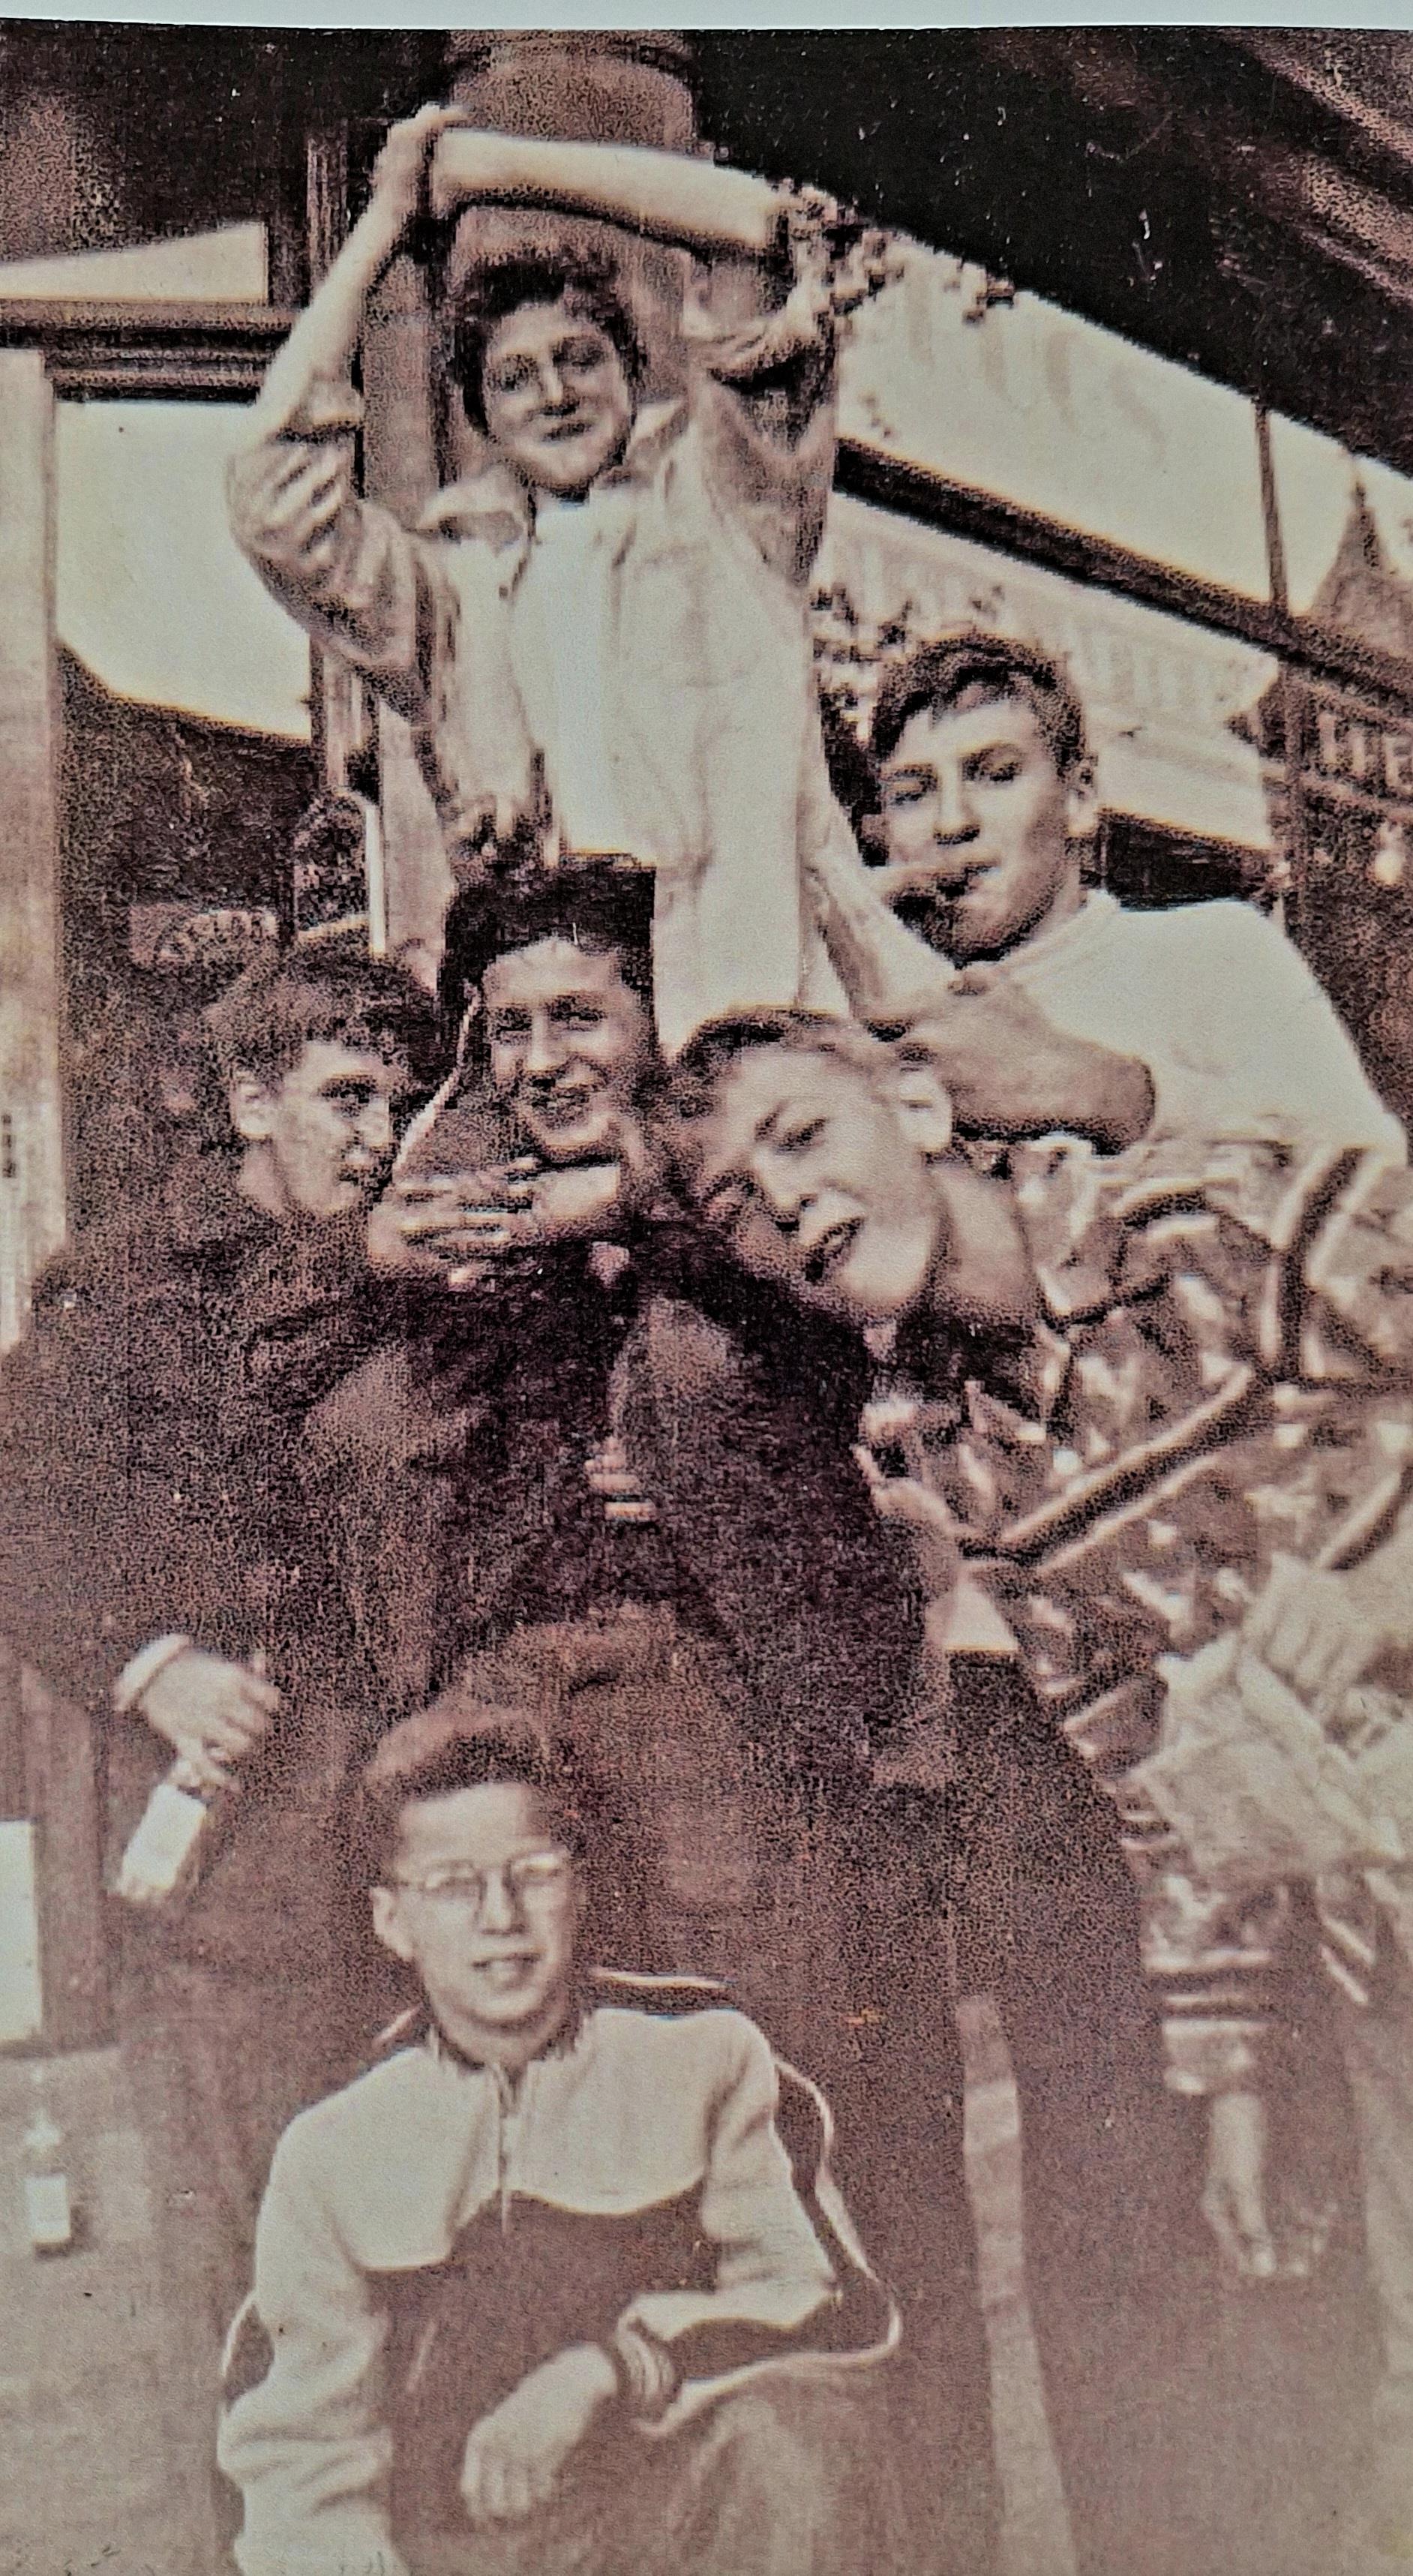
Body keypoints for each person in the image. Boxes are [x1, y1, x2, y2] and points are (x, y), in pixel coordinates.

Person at [652, 1006, 1413, 2576]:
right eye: (733, 1198)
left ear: (922, 1105)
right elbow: (1157, 1771)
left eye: (804, 1133)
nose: (780, 1201)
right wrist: (1236, 2077)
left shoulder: (1213, 1218)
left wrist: (1391, 1578)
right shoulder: (951, 1446)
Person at [0, 939, 440, 2576]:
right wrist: (152, 1663)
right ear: (252, 1101)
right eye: (343, 1097)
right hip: (238, 1812)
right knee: (255, 2251)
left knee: (412, 2226)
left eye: (401, 1099)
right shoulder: (129, 1284)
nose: (379, 1133)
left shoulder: (400, 1261)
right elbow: (27, 1511)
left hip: (400, 1793)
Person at [227, 105, 889, 1052]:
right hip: (571, 1051)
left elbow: (748, 226)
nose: (556, 394)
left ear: (633, 372)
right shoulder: (453, 592)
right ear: (482, 419)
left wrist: (490, 172)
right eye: (514, 377)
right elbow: (271, 498)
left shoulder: (729, 503)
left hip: (760, 1022)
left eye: (582, 359)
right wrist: (380, 225)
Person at [218, 1704, 905, 2576]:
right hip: (456, 2551)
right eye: (453, 1886)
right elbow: (298, 2452)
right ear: (393, 1922)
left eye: (533, 1872)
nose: (500, 1916)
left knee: (802, 2441)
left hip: (671, 2524)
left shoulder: (704, 2051)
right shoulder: (334, 2143)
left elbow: (838, 2310)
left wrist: (609, 2368)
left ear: (580, 1888)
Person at [810, 628, 1406, 1157]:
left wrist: (1106, 1093)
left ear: (1080, 797)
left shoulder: (1211, 951)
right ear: (880, 829)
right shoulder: (861, 1005)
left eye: (995, 775)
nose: (951, 822)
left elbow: (1378, 1193)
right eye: (912, 794)